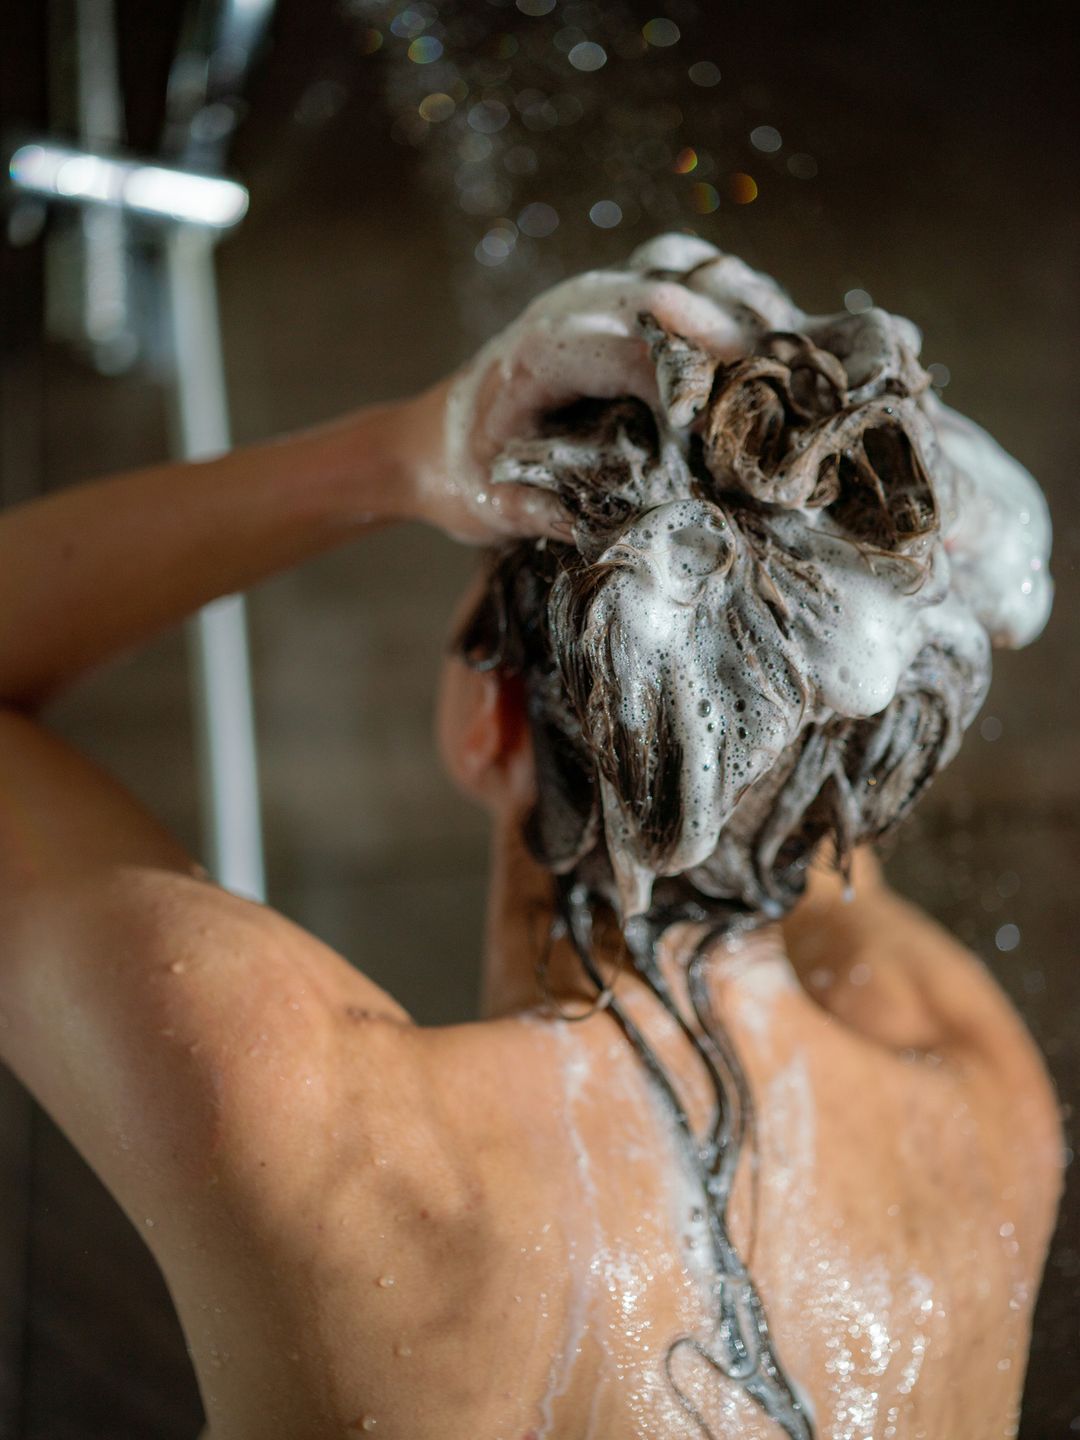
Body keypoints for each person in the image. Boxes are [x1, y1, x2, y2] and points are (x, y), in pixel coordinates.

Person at [0, 238, 1062, 1440]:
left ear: (483, 716)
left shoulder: (322, 1139)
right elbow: (795, 791)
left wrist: (405, 450)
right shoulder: (978, 1102)